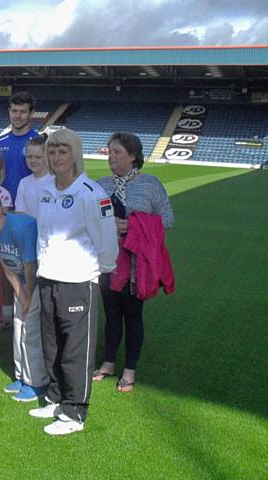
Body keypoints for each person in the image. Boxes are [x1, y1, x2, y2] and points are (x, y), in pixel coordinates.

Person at [29, 128, 118, 436]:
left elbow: (107, 243)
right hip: (48, 279)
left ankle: (75, 412)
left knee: (74, 351)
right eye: (52, 152)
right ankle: (55, 398)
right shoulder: (45, 191)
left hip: (79, 281)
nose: (56, 158)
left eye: (62, 152)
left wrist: (96, 273)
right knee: (51, 347)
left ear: (75, 155)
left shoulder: (92, 194)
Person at [92, 132, 175, 392]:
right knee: (111, 315)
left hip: (137, 266)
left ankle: (129, 368)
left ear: (133, 156)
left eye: (117, 152)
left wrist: (132, 226)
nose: (111, 157)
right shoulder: (100, 185)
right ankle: (108, 362)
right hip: (107, 262)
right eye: (110, 151)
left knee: (133, 316)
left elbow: (167, 219)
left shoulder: (150, 184)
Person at [0, 188, 49, 402]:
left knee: (30, 333)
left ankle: (37, 382)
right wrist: (20, 295)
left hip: (38, 285)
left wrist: (27, 298)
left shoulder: (21, 228)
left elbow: (30, 267)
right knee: (18, 329)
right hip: (21, 285)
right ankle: (22, 376)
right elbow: (7, 266)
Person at [0, 91, 39, 202]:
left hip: (29, 207)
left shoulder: (39, 143)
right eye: (14, 111)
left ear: (31, 113)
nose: (18, 116)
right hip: (0, 207)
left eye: (23, 112)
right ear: (9, 111)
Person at [15, 134, 53, 217]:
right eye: (29, 157)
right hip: (29, 229)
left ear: (48, 157)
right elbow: (21, 213)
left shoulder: (56, 181)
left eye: (38, 157)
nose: (33, 160)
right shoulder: (24, 183)